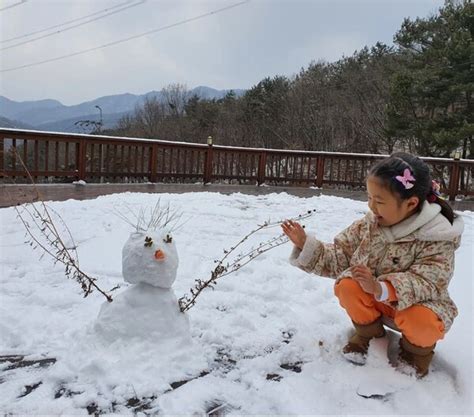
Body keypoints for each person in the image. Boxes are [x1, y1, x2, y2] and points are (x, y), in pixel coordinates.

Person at [282, 152, 464, 377]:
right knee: (348, 285)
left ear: (411, 203)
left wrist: (382, 288)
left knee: (421, 321)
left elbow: (428, 281)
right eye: (369, 198)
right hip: (376, 304)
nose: (371, 207)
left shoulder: (436, 236)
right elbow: (341, 256)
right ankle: (369, 334)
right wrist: (306, 246)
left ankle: (414, 354)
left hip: (418, 308)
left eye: (379, 201)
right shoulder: (369, 225)